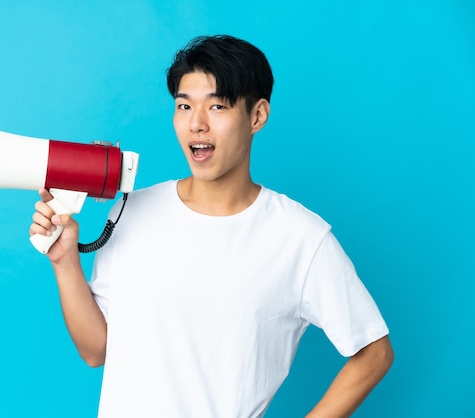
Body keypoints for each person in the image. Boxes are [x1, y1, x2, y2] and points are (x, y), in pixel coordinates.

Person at [30, 34, 394, 418]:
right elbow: (96, 351)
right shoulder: (129, 211)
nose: (196, 124)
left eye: (217, 106)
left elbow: (375, 352)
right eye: (184, 106)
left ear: (257, 116)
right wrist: (65, 260)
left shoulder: (300, 238)